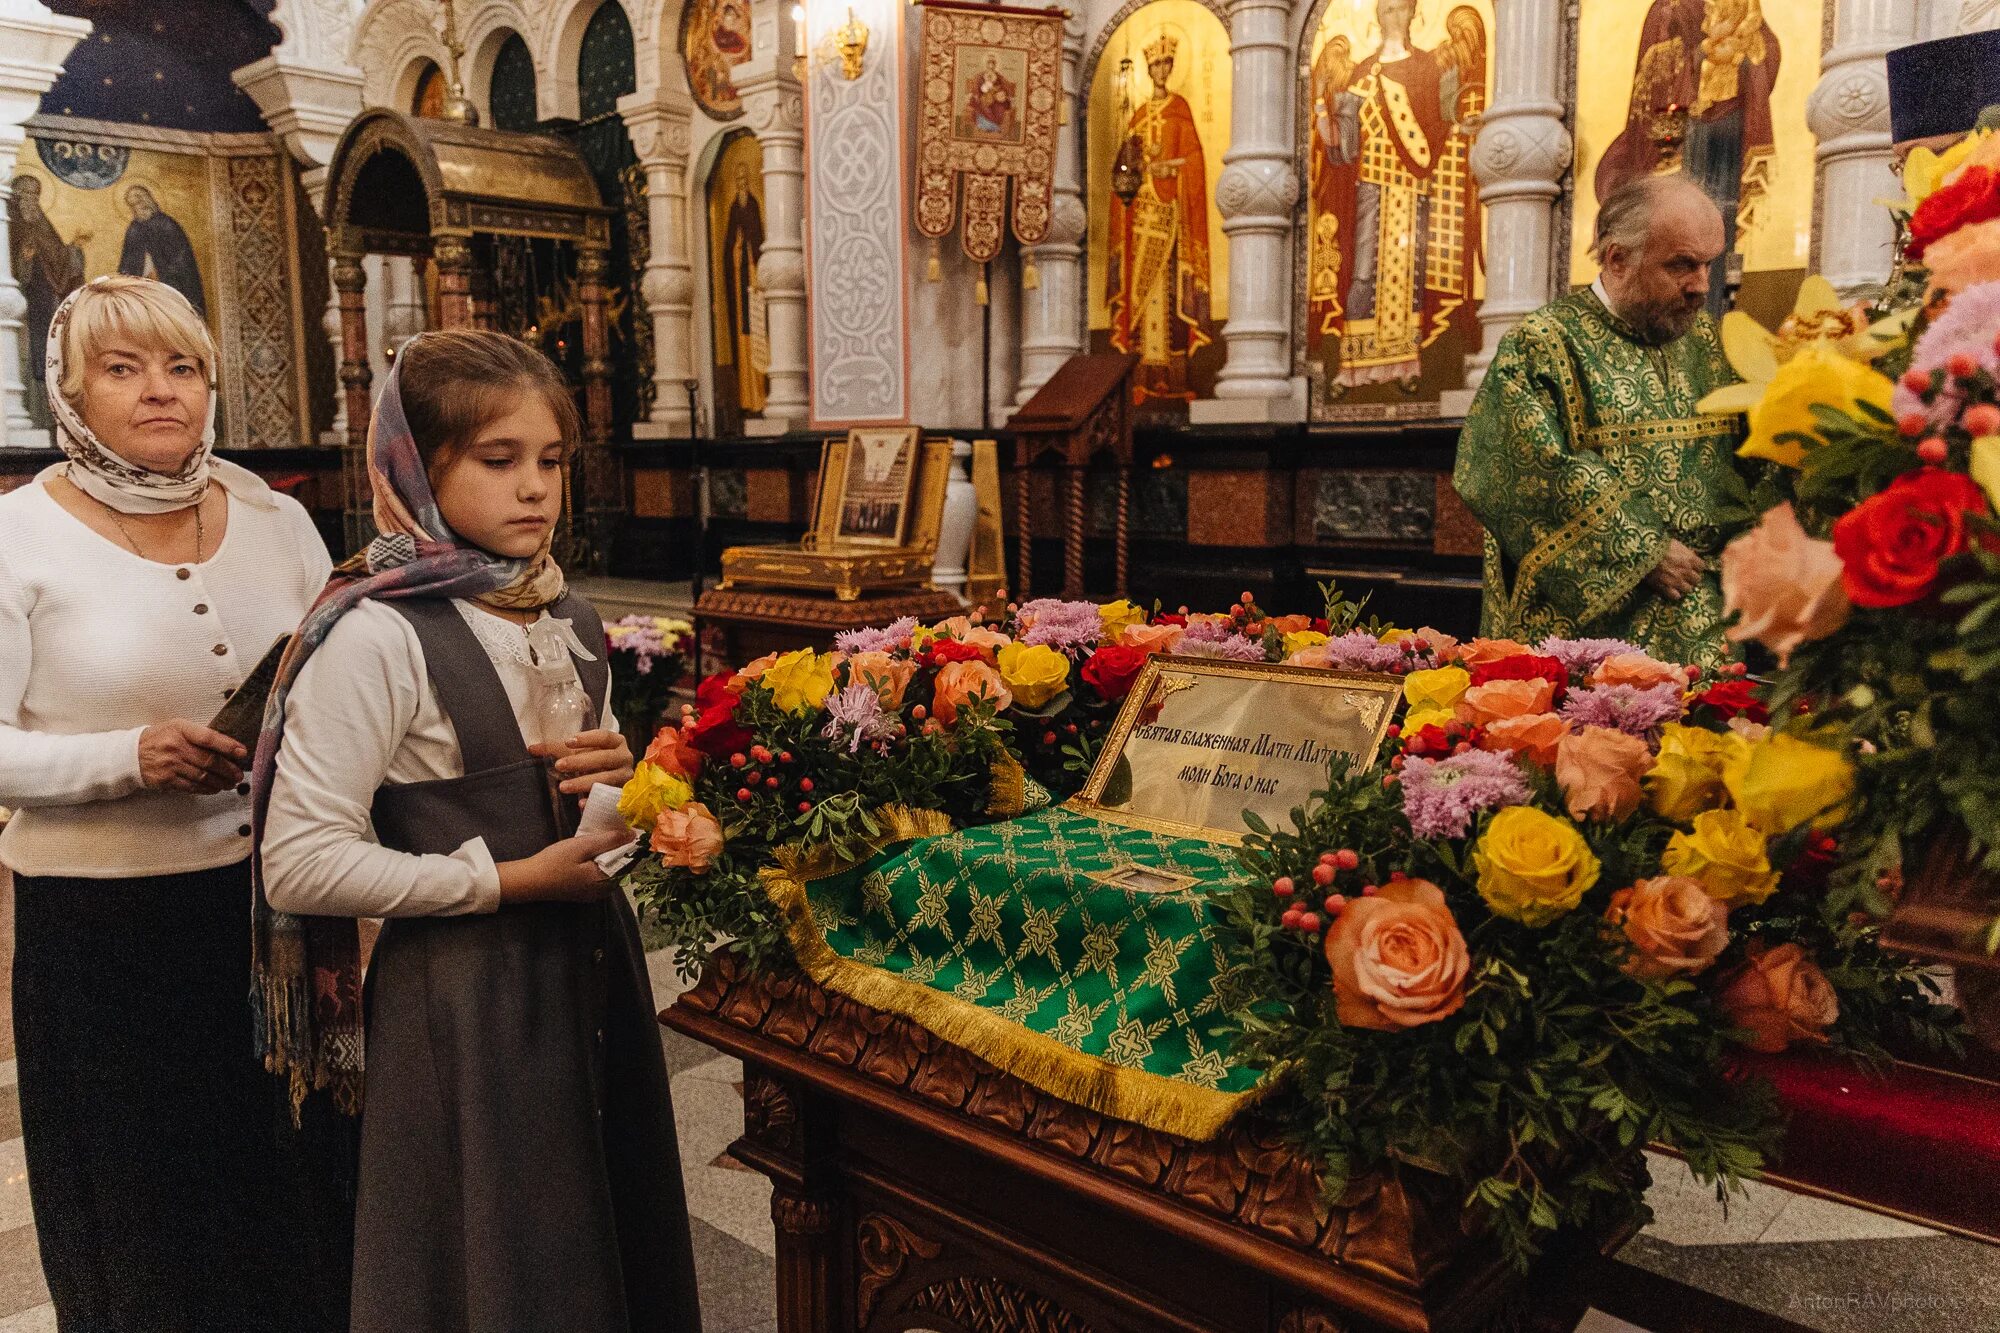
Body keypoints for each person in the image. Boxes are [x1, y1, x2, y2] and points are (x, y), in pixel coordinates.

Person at [254, 329, 704, 1332]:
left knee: (593, 1222)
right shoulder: (375, 632)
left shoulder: (570, 615)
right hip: (459, 993)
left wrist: (625, 796)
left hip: (586, 970)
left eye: (551, 461)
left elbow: (606, 812)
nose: (534, 488)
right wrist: (505, 879)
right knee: (493, 1250)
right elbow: (297, 860)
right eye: (498, 461)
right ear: (415, 464)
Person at [0, 275, 351, 1330]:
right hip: (108, 937)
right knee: (146, 1210)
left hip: (276, 912)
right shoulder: (17, 536)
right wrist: (127, 758)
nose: (161, 391)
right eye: (122, 368)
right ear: (66, 389)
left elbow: (345, 671)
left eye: (182, 366)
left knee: (292, 1183)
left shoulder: (274, 515)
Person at [1453, 175, 1745, 666]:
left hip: (1703, 625)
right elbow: (1518, 470)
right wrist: (1643, 548)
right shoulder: (1543, 344)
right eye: (1681, 265)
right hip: (1581, 635)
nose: (1701, 286)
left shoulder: (1712, 346)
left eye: (1707, 265)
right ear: (1618, 259)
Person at [1106, 32, 1214, 404]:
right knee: (1141, 290)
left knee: (1168, 287)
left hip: (1170, 217)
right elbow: (1125, 169)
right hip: (1140, 219)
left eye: (1167, 64)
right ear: (1148, 70)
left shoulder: (1179, 110)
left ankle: (1174, 375)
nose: (1162, 70)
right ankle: (1141, 375)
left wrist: (1170, 167)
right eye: (1155, 65)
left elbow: (1195, 160)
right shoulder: (1135, 116)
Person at [116, 184, 207, 317]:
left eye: (139, 202)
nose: (137, 208)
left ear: (147, 200)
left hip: (170, 284)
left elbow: (183, 259)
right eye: (132, 205)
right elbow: (126, 262)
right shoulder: (133, 229)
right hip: (142, 287)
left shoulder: (167, 225)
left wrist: (164, 272)